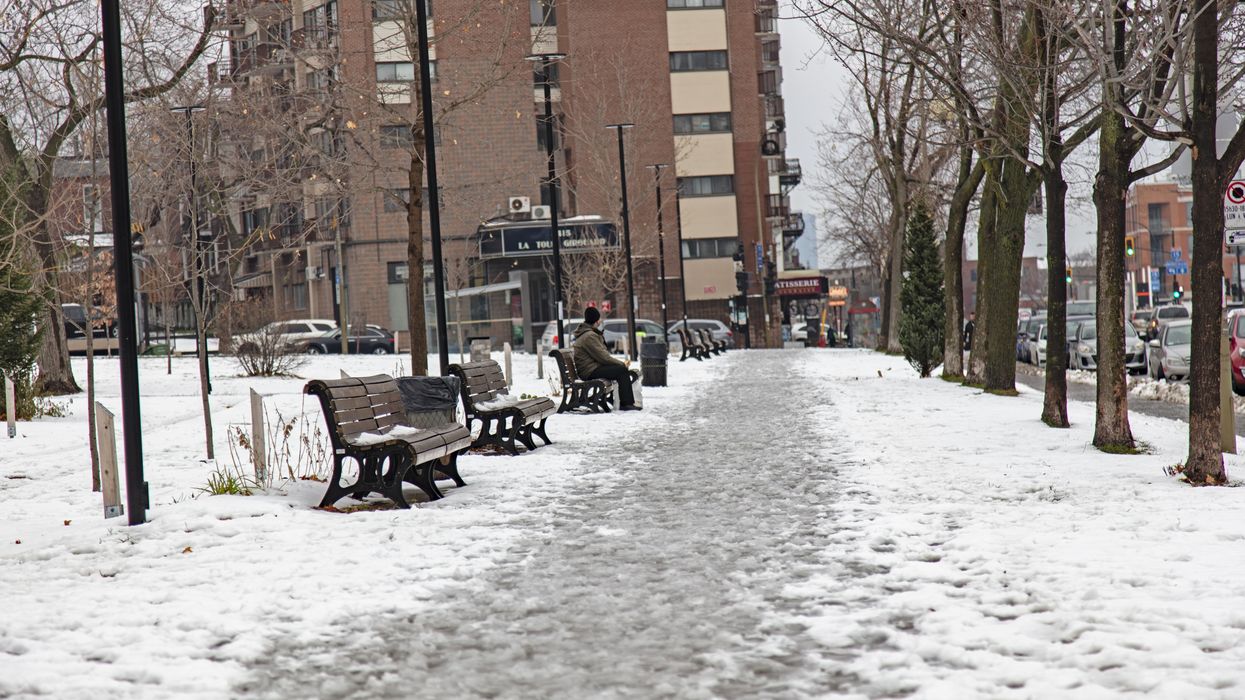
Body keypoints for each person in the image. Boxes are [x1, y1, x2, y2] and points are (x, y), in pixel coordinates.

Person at [572, 306, 641, 411]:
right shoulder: (589, 336)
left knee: (619, 369)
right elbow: (603, 357)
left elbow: (602, 355)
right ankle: (626, 404)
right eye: (599, 319)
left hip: (590, 368)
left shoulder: (589, 333)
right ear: (596, 320)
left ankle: (625, 402)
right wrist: (621, 363)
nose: (600, 321)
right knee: (621, 370)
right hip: (589, 371)